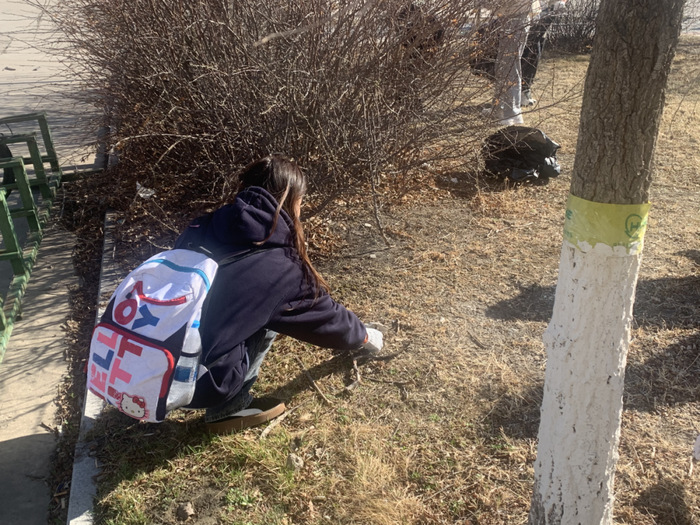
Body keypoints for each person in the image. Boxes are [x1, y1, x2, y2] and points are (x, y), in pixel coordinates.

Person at [174, 154, 384, 433]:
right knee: (267, 318)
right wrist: (364, 336)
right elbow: (325, 317)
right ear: (291, 199)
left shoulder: (203, 225)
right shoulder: (278, 264)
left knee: (248, 309)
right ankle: (228, 408)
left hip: (150, 362)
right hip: (197, 380)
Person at [483, 0, 542, 126]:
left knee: (509, 66)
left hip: (516, 16)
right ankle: (499, 108)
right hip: (512, 15)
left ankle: (510, 114)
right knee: (503, 65)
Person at [520, 1, 567, 106]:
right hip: (532, 12)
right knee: (529, 50)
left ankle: (525, 90)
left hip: (543, 11)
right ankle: (521, 91)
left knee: (535, 50)